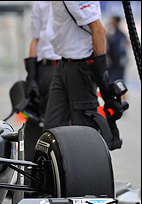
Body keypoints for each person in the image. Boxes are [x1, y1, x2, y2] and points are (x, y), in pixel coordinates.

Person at [45, 1, 124, 150]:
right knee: (52, 128)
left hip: (80, 66)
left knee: (84, 130)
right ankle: (59, 170)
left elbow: (98, 31)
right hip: (64, 64)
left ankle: (90, 168)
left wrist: (103, 79)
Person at [22, 1, 61, 160]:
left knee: (56, 121)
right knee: (33, 117)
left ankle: (55, 163)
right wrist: (31, 76)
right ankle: (31, 165)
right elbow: (35, 39)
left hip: (62, 64)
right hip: (42, 66)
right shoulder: (40, 4)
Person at [106, 16, 129, 84]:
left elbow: (125, 44)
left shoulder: (120, 34)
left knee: (119, 82)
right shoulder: (112, 33)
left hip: (118, 61)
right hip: (112, 61)